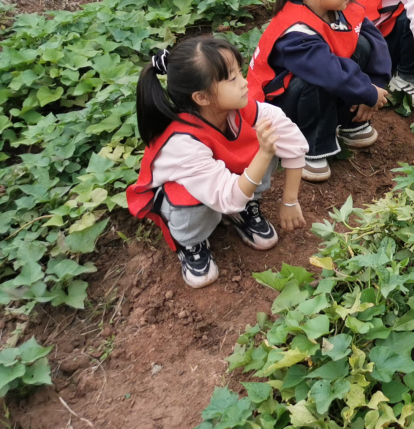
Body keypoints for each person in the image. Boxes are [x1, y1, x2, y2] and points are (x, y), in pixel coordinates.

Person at [130, 36, 308, 288]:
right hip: (180, 197)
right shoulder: (182, 142)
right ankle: (189, 241)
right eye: (232, 79)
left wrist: (290, 200)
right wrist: (264, 154)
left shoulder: (241, 108)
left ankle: (242, 210)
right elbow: (227, 196)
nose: (245, 83)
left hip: (224, 185)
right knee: (192, 196)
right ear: (201, 98)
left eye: (239, 71)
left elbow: (293, 141)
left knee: (265, 140)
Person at [248, 0, 392, 180]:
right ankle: (310, 147)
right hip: (278, 109)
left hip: (324, 83)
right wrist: (368, 92)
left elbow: (375, 40)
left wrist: (375, 83)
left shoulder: (338, 7)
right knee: (310, 81)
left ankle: (349, 122)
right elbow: (330, 73)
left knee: (362, 45)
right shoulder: (295, 30)